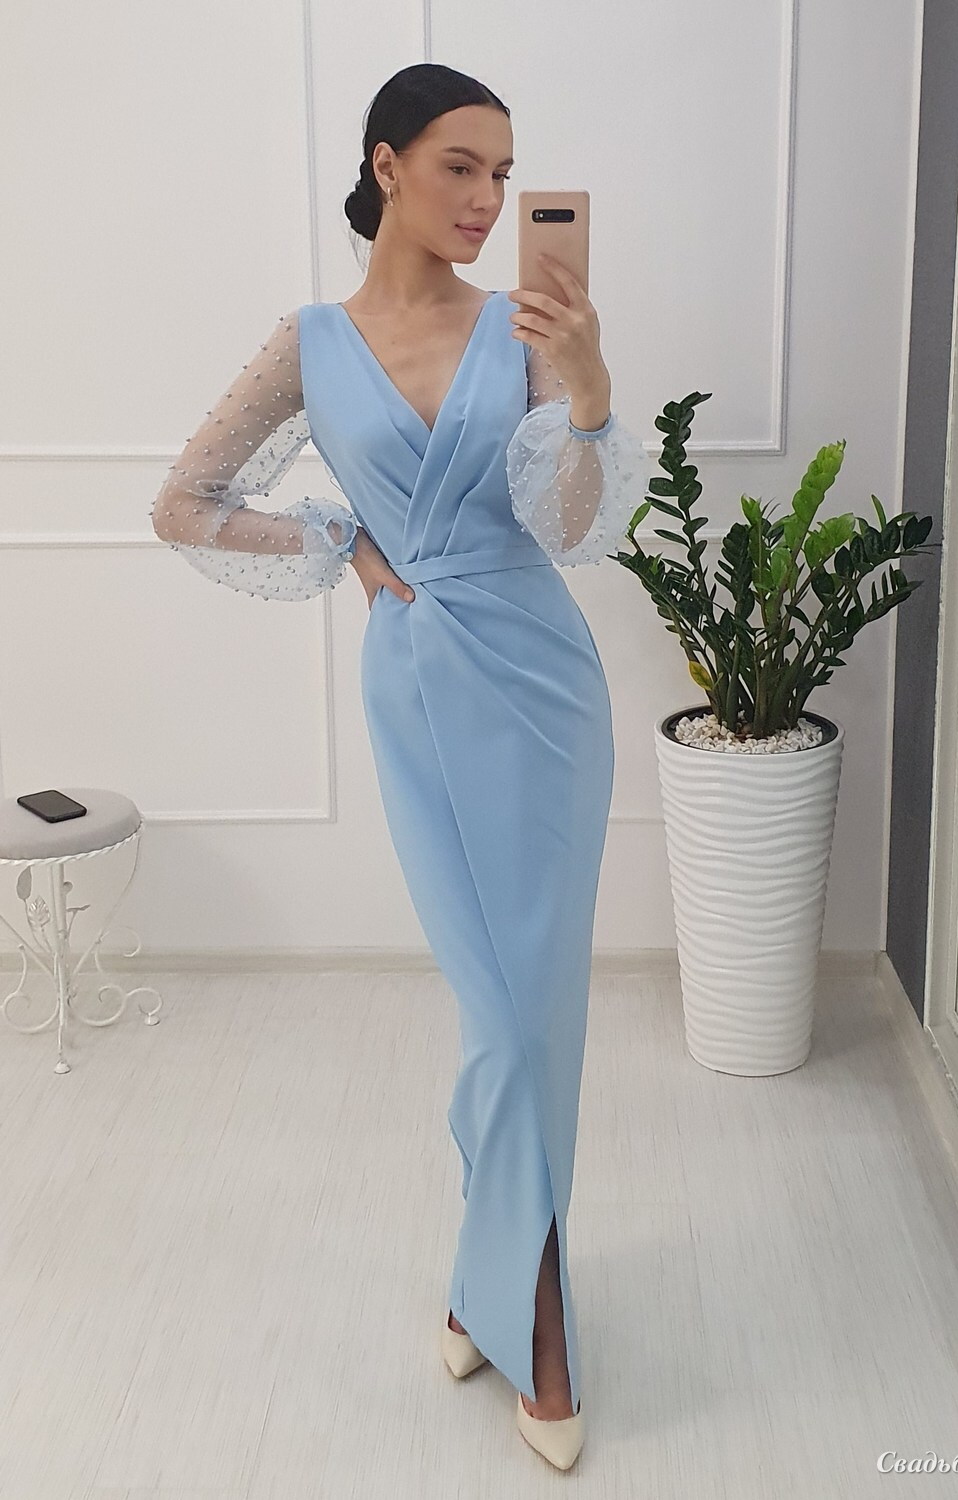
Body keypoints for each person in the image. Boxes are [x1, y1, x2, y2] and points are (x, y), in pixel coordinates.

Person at [151, 61, 649, 1472]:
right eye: (459, 167)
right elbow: (184, 501)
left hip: (542, 689)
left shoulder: (523, 328)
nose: (489, 199)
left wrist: (591, 392)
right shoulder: (308, 343)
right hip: (419, 688)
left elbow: (566, 529)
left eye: (506, 174)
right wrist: (350, 546)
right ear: (385, 166)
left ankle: (521, 1301)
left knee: (534, 1013)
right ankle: (512, 1291)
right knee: (496, 1009)